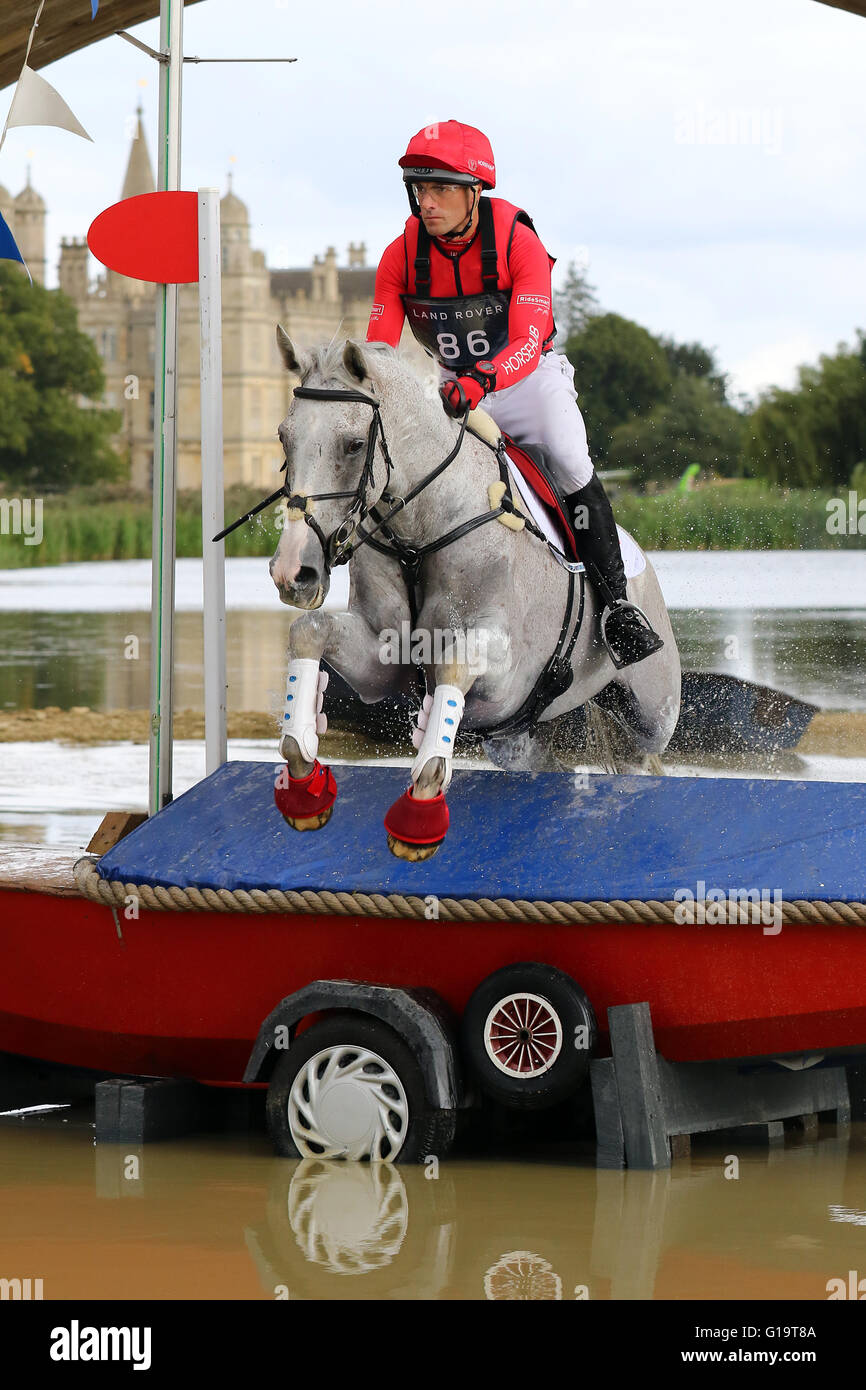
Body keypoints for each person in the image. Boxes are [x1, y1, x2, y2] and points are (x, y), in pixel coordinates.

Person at [365, 119, 663, 668]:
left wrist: (480, 381)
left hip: (528, 382)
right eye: (419, 189)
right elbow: (377, 352)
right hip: (454, 389)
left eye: (440, 189)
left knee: (570, 459)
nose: (426, 202)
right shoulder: (399, 257)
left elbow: (528, 337)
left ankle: (618, 610)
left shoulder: (516, 239)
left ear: (475, 191)